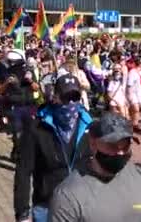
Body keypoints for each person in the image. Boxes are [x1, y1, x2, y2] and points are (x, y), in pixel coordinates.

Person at [49, 112, 141, 222]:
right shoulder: (68, 196)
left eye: (125, 145)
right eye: (112, 145)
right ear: (93, 143)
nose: (120, 152)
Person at [14, 74, 93, 222]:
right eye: (65, 97)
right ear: (55, 97)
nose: (70, 102)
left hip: (83, 207)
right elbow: (23, 172)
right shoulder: (37, 128)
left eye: (74, 97)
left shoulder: (89, 127)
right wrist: (22, 213)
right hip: (47, 208)